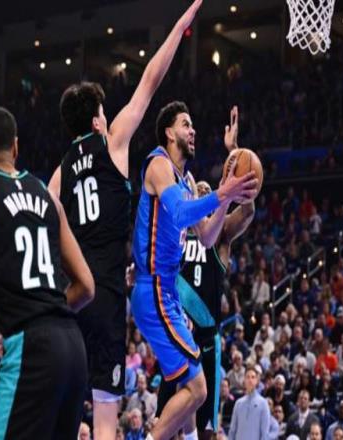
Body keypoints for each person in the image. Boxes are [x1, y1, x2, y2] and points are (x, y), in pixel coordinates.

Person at [48, 2, 204, 439]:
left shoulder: (59, 173)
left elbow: (42, 220)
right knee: (104, 419)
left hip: (71, 295)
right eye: (103, 111)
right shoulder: (112, 141)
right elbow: (150, 80)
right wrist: (180, 26)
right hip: (106, 294)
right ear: (97, 119)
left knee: (64, 412)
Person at [0, 107, 95, 439]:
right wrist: (49, 313)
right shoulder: (48, 197)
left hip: (33, 349)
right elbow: (86, 286)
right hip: (73, 347)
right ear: (16, 146)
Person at [131, 100, 257, 440]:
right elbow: (179, 213)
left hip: (168, 294)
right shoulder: (158, 165)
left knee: (190, 390)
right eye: (186, 124)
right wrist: (221, 192)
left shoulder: (186, 180)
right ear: (169, 133)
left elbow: (207, 236)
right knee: (197, 388)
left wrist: (227, 190)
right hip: (154, 290)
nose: (193, 130)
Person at [228, 367, 270, 440]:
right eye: (248, 377)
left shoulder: (263, 403)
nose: (250, 380)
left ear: (256, 380)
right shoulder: (238, 403)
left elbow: (264, 433)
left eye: (253, 377)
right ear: (244, 380)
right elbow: (232, 430)